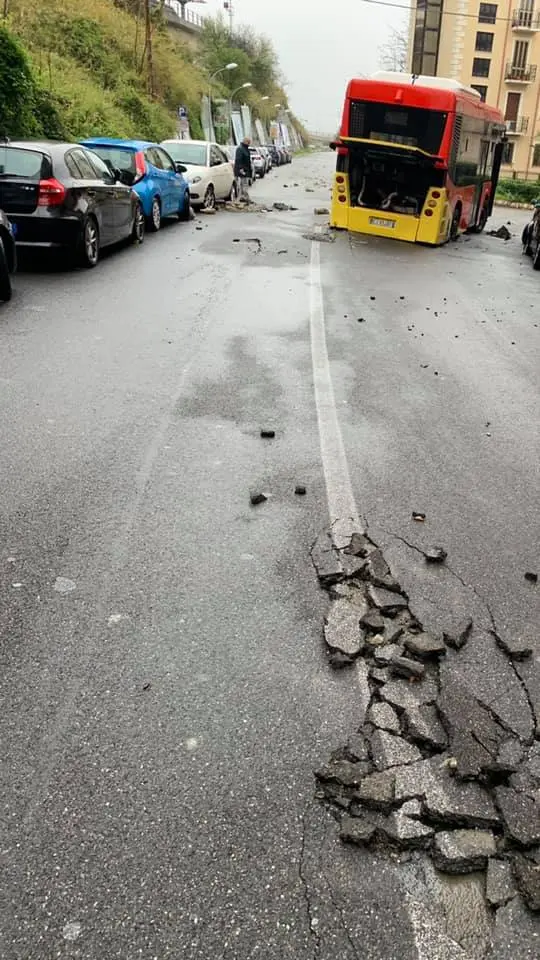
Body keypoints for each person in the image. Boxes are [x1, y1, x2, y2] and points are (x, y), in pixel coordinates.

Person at [234, 137, 252, 203]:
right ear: (245, 141)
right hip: (242, 171)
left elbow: (248, 161)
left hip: (245, 170)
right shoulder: (240, 149)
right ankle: (245, 198)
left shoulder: (245, 149)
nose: (249, 144)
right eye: (248, 142)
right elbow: (238, 160)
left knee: (243, 184)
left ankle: (242, 198)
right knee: (243, 184)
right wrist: (241, 169)